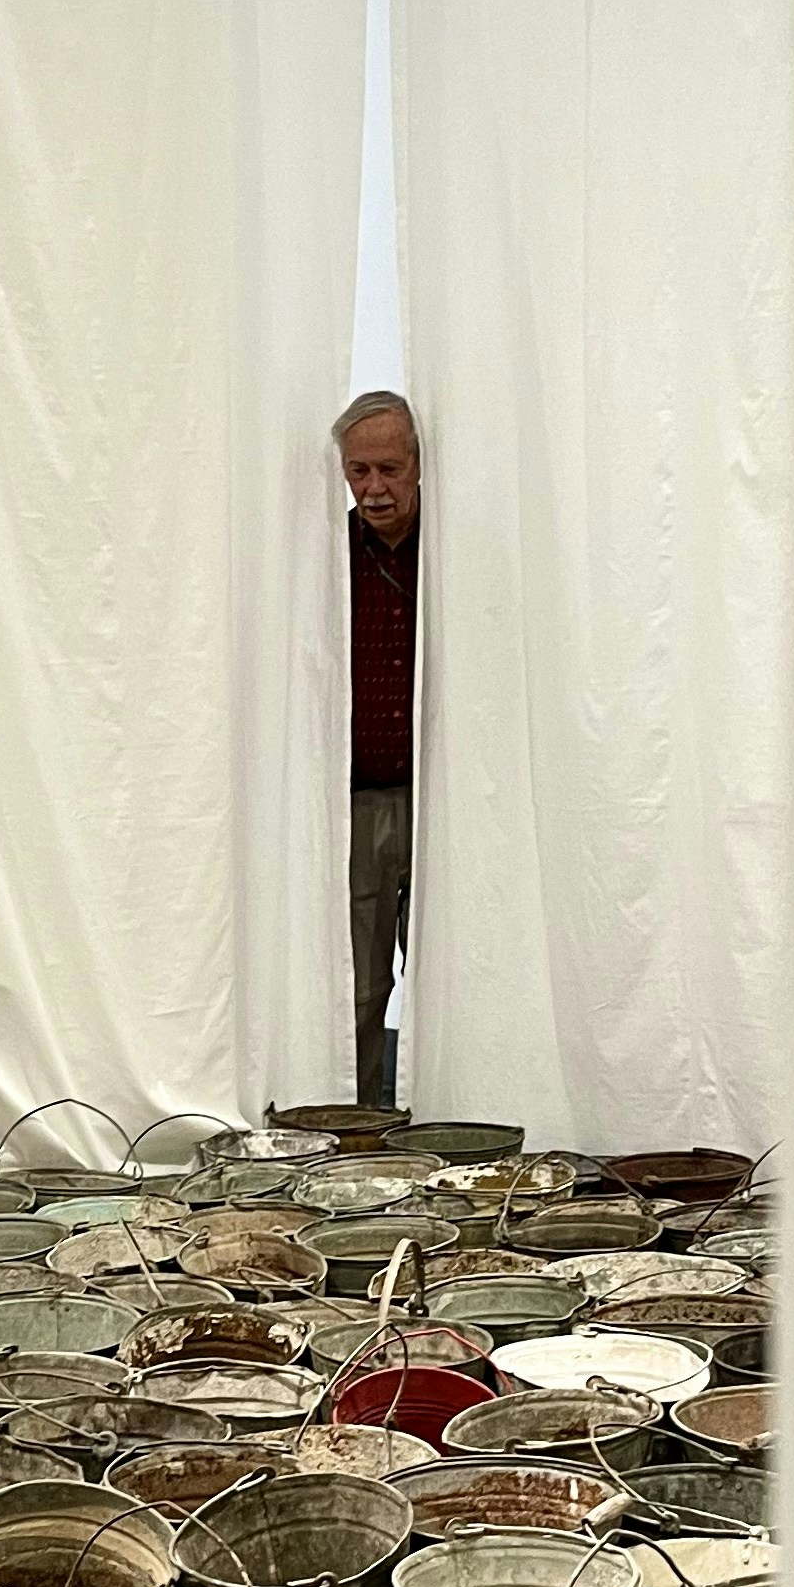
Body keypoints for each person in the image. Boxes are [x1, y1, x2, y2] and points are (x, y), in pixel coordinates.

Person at [334, 389, 420, 1104]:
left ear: (420, 467)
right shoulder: (324, 560)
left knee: (454, 976)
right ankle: (360, 1129)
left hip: (437, 798)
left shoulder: (449, 556)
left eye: (388, 469)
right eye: (358, 471)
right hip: (358, 799)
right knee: (360, 984)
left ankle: (455, 1120)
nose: (373, 488)